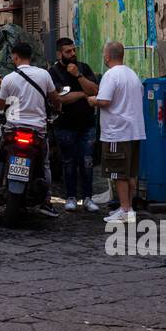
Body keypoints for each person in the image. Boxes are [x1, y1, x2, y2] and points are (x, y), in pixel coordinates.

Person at [0, 41, 62, 216]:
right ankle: (46, 200)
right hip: (37, 131)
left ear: (15, 56)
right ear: (30, 57)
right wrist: (58, 109)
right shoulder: (44, 75)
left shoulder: (8, 79)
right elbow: (55, 99)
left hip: (13, 129)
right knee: (45, 164)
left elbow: (0, 105)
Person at [88, 41, 144, 224]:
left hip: (117, 132)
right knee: (130, 173)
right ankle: (127, 208)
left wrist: (92, 100)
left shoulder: (111, 75)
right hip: (134, 131)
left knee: (118, 173)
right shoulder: (132, 74)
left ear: (107, 56)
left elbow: (104, 101)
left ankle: (125, 210)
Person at [49, 37, 100, 212]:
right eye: (68, 51)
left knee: (87, 162)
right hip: (65, 125)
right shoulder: (53, 72)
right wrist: (82, 95)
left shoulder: (83, 68)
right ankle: (70, 197)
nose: (72, 54)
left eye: (73, 50)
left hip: (87, 124)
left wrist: (78, 75)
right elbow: (60, 98)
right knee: (68, 162)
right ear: (59, 53)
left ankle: (88, 198)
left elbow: (95, 90)